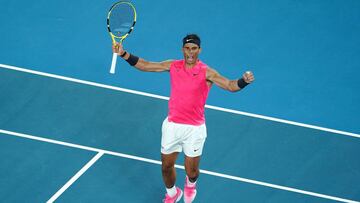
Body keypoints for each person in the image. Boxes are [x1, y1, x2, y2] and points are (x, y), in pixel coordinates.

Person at [112, 34, 255, 203]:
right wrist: (123, 54)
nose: (190, 52)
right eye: (187, 48)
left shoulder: (207, 72)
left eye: (194, 48)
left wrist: (243, 81)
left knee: (192, 171)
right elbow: (147, 65)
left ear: (199, 50)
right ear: (182, 49)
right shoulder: (173, 65)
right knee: (166, 166)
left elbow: (230, 85)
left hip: (194, 130)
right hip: (172, 126)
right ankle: (173, 194)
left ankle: (190, 184)